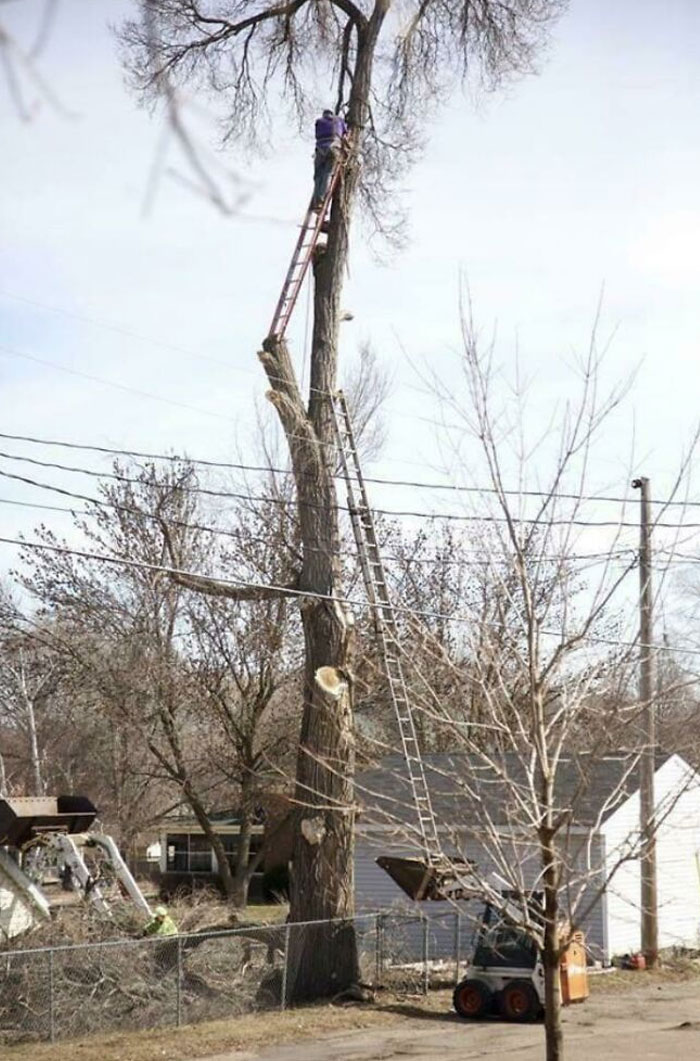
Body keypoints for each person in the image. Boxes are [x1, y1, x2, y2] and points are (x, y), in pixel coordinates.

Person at [312, 108, 347, 209]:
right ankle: (321, 199)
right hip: (333, 148)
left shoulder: (319, 122)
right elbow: (345, 133)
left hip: (319, 150)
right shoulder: (338, 120)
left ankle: (316, 199)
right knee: (327, 174)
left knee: (318, 176)